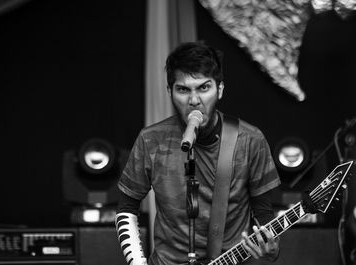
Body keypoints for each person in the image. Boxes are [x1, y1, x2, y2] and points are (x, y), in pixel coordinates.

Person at [115, 41, 281, 265]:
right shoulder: (151, 139)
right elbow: (127, 207)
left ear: (220, 89)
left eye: (204, 88)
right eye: (183, 89)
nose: (194, 100)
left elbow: (263, 211)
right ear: (170, 92)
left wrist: (271, 249)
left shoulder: (250, 140)